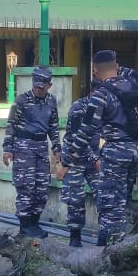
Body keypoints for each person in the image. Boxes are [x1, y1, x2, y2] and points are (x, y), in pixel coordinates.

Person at [66, 50, 138, 246]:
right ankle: (115, 244)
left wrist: (67, 161)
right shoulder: (136, 88)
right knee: (123, 200)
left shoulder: (100, 94)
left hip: (116, 154)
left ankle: (110, 253)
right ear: (117, 67)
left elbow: (86, 131)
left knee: (109, 206)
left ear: (94, 72)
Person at [2, 66, 61, 239]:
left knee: (42, 186)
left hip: (41, 146)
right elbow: (11, 124)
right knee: (26, 186)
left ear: (49, 85)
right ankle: (24, 225)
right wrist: (7, 149)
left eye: (42, 87)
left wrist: (57, 149)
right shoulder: (22, 100)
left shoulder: (51, 101)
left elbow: (54, 127)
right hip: (23, 146)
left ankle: (34, 223)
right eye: (36, 86)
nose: (38, 89)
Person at [59, 92, 98, 247]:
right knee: (75, 198)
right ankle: (75, 236)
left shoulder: (105, 107)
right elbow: (77, 137)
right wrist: (95, 158)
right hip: (73, 157)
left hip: (94, 155)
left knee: (103, 192)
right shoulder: (79, 107)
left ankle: (106, 235)